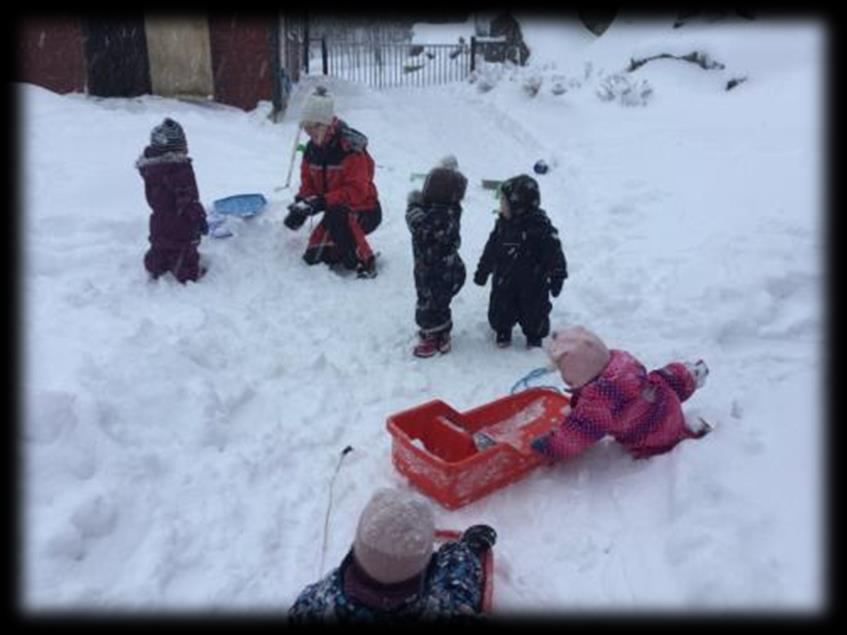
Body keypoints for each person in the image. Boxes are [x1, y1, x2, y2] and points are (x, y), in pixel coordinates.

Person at [288, 487, 496, 623]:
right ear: (429, 568)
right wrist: (467, 548)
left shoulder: (322, 599)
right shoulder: (443, 608)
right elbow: (459, 582)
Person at [531, 325, 711, 461]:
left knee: (652, 431)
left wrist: (551, 446)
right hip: (662, 399)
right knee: (660, 379)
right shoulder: (624, 364)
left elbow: (576, 436)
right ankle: (687, 375)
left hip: (652, 432)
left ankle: (682, 436)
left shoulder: (597, 405)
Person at [284, 86, 382, 279]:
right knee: (314, 257)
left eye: (312, 128)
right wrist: (302, 205)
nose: (308, 134)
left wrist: (321, 201)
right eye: (306, 128)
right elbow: (308, 184)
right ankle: (341, 250)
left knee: (339, 216)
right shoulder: (312, 150)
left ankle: (364, 260)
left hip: (364, 210)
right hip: (334, 209)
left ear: (324, 125)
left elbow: (357, 191)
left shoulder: (350, 149)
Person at [473, 174, 567, 348]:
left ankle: (534, 336)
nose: (501, 206)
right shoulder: (502, 225)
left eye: (504, 202)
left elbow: (553, 252)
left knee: (535, 312)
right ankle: (503, 331)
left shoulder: (540, 227)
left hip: (533, 283)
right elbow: (491, 248)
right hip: (504, 281)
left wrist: (557, 274)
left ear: (518, 205)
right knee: (500, 309)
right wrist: (483, 270)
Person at [406, 156, 468, 358]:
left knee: (432, 303)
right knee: (431, 302)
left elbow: (421, 229)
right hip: (431, 268)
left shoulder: (442, 215)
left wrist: (412, 209)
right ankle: (438, 333)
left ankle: (436, 337)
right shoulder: (441, 210)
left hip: (439, 270)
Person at [136, 117, 208, 283]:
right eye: (183, 145)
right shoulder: (178, 170)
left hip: (159, 219)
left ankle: (156, 266)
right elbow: (187, 199)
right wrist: (199, 218)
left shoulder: (152, 168)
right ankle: (187, 273)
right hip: (181, 221)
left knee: (160, 244)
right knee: (185, 247)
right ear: (175, 149)